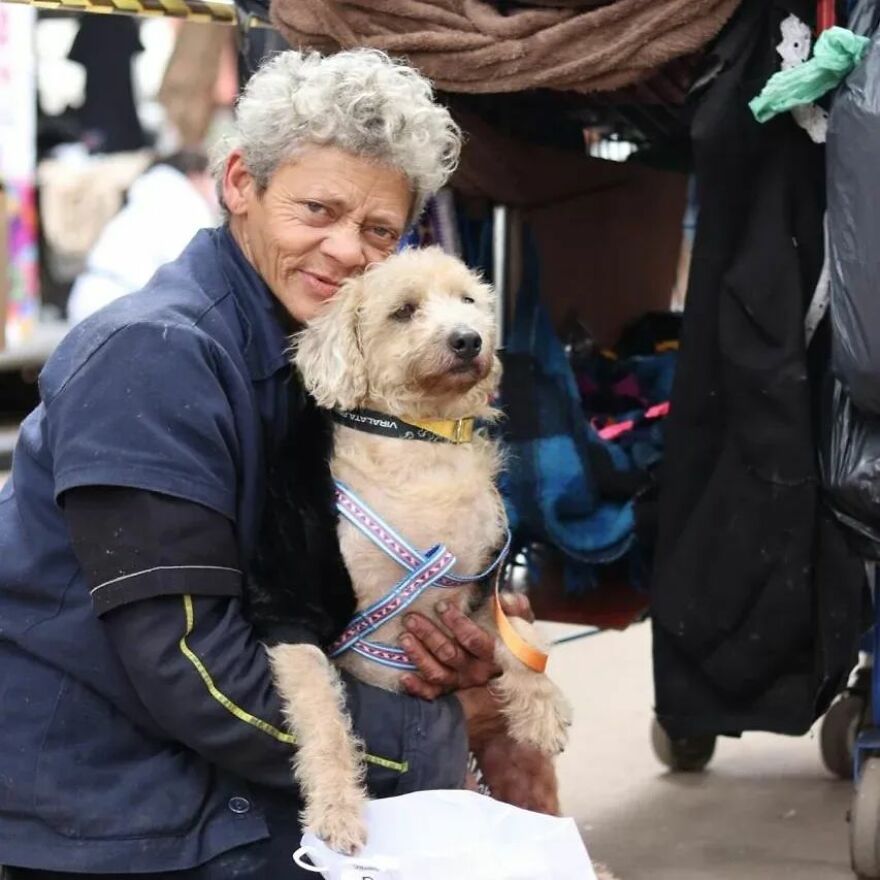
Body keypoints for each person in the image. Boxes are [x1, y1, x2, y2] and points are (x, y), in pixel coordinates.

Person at [0, 49, 557, 879]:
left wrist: (449, 651)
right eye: (317, 209)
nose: (345, 251)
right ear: (238, 183)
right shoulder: (154, 358)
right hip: (122, 815)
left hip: (217, 783)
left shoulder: (323, 358)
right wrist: (424, 742)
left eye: (378, 230)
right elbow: (190, 666)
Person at [66, 151, 219, 325]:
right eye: (212, 178)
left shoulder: (148, 196)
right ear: (196, 176)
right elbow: (196, 278)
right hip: (124, 302)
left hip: (89, 294)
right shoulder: (185, 204)